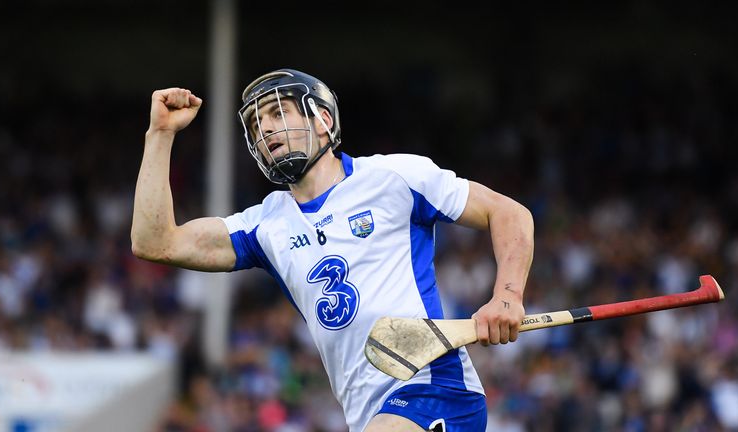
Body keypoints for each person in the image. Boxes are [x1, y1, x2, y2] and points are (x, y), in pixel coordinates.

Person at [131, 69, 534, 432]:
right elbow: (155, 243)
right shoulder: (264, 226)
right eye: (256, 124)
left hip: (435, 387)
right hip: (366, 412)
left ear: (323, 120)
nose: (265, 130)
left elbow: (508, 213)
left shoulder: (394, 177)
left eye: (278, 113)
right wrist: (160, 135)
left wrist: (507, 296)